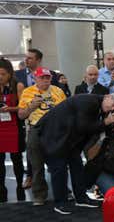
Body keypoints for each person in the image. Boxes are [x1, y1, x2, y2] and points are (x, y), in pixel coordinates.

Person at [38, 93, 114, 214]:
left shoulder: (101, 106)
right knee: (59, 170)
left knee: (77, 166)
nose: (112, 109)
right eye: (113, 105)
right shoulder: (89, 101)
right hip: (54, 136)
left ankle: (81, 198)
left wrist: (111, 125)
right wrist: (105, 122)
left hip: (69, 140)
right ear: (107, 97)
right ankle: (60, 203)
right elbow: (83, 127)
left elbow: (89, 128)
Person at [18, 67, 67, 206]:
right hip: (36, 128)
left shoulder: (58, 91)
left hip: (55, 130)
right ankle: (39, 195)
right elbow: (21, 115)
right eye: (42, 78)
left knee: (58, 163)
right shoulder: (28, 92)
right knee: (36, 164)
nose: (45, 80)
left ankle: (63, 191)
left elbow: (67, 111)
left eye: (47, 78)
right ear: (35, 78)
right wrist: (31, 107)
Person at [0, 58, 25, 202]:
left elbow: (22, 107)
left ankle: (20, 186)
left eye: (3, 74)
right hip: (1, 127)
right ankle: (1, 188)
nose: (0, 77)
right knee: (0, 160)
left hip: (15, 126)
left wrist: (10, 109)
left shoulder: (18, 85)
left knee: (17, 160)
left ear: (9, 73)